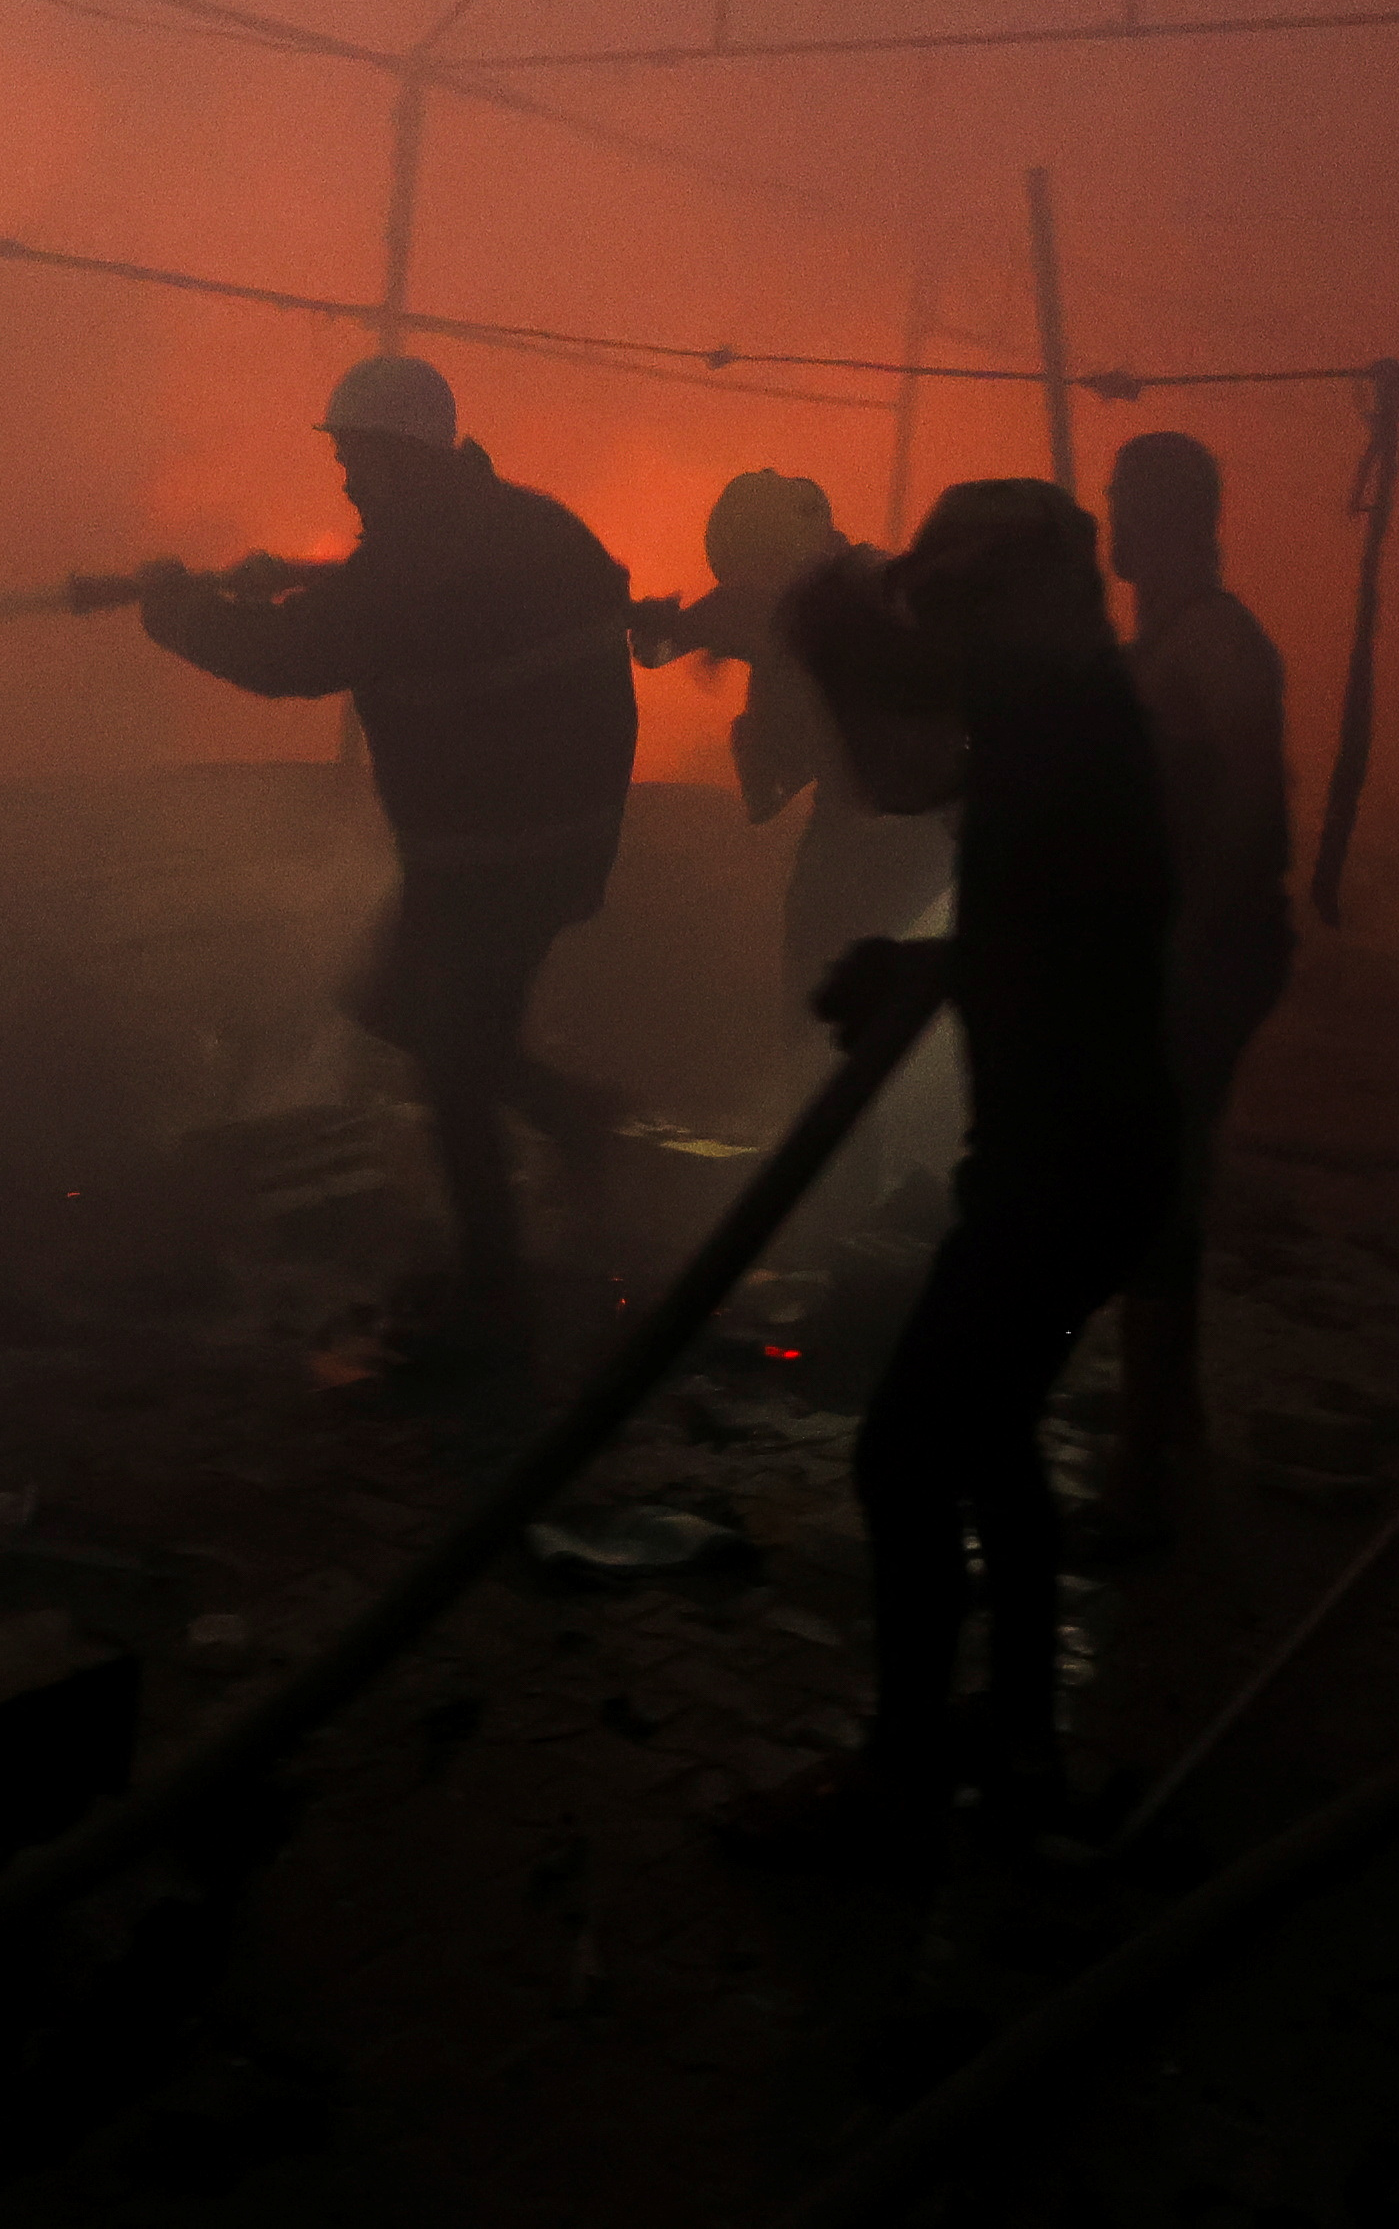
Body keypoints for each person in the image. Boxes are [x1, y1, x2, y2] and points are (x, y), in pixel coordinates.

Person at [723, 480, 1177, 1873]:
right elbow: (1044, 923)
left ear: (1016, 598)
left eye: (971, 605)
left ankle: (906, 1765)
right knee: (987, 1442)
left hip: (1059, 1171)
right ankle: (1021, 1734)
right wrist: (925, 964)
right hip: (1087, 1158)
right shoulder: (1071, 715)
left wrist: (932, 963)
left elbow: (1028, 906)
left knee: (904, 1451)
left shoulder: (1056, 738)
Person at [137, 354, 638, 1384]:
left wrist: (174, 614)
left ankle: (496, 1302)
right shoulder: (523, 524)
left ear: (401, 456)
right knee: (381, 996)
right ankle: (571, 1116)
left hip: (489, 853)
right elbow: (429, 605)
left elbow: (292, 660)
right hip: (547, 838)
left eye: (356, 457)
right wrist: (309, 580)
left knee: (452, 1065)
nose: (347, 480)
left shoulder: (418, 563)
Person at [1086, 433, 1294, 1559]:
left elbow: (1255, 803)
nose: (1114, 523)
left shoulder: (1216, 643)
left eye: (1126, 505)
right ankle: (1177, 1425)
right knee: (1163, 1190)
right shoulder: (1158, 638)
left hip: (1206, 953)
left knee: (1153, 1200)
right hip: (1171, 947)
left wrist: (1191, 944)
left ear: (1170, 516)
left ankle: (1136, 1478)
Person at [641, 472, 961, 1068]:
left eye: (741, 574)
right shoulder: (881, 582)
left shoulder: (814, 604)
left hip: (876, 845)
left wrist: (676, 633)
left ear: (766, 556)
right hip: (934, 839)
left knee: (822, 1024)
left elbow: (767, 784)